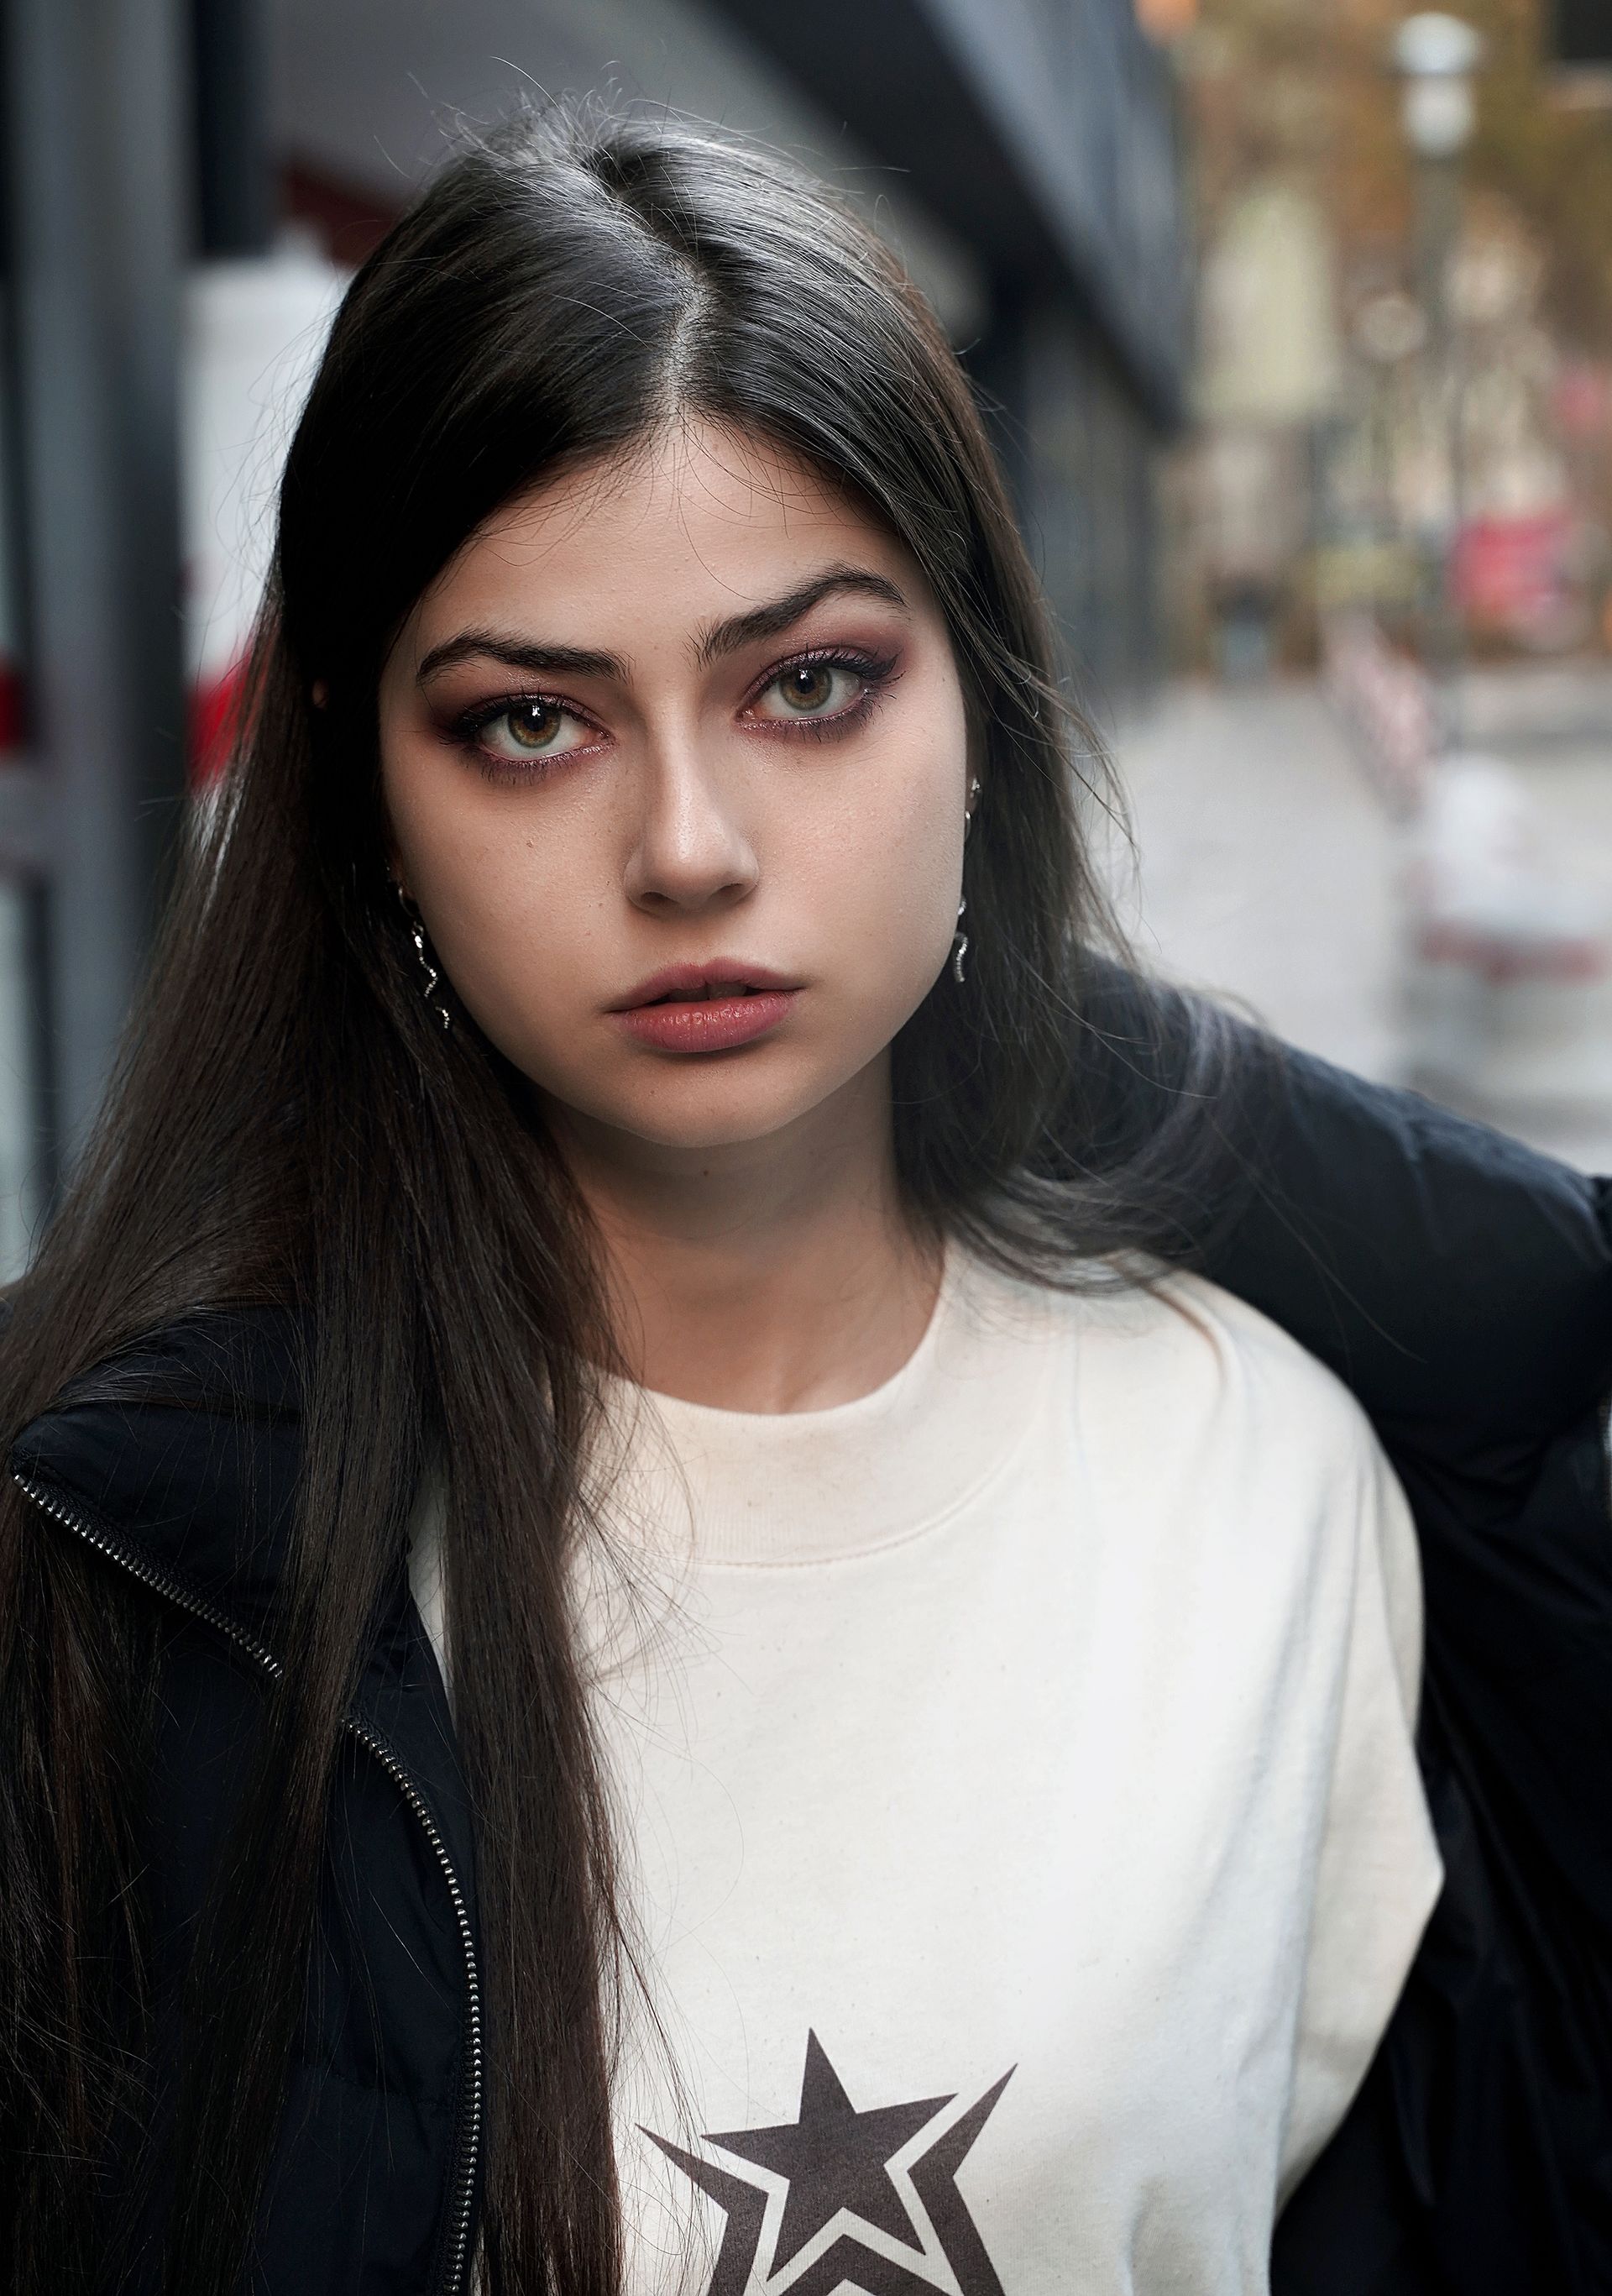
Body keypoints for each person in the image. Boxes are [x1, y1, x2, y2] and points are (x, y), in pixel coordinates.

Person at [0, 108, 1605, 2296]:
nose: (689, 844)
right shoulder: (120, 1560)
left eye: (811, 685)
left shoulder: (1272, 1472)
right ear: (362, 785)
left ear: (984, 714)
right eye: (530, 725)